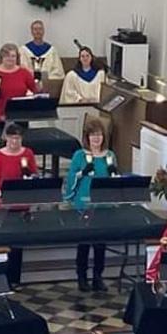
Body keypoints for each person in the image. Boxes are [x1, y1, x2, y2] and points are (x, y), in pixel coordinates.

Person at [64, 119, 118, 291]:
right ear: (87, 137)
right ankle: (81, 277)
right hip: (84, 203)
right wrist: (82, 173)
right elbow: (72, 178)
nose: (96, 138)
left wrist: (115, 175)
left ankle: (97, 276)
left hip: (103, 205)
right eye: (93, 135)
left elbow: (115, 180)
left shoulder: (109, 156)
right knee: (84, 243)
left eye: (99, 134)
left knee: (100, 244)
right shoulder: (79, 155)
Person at [0, 123, 38, 287]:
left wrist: (31, 179)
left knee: (17, 244)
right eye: (12, 138)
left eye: (17, 138)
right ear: (6, 138)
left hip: (21, 203)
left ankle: (14, 279)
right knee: (3, 241)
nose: (15, 142)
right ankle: (1, 278)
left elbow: (34, 173)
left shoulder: (28, 153)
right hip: (3, 204)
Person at [0, 43, 39, 130]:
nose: (10, 58)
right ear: (1, 57)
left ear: (17, 58)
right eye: (7, 56)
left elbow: (36, 91)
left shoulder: (24, 73)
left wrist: (39, 81)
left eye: (13, 56)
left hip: (19, 117)